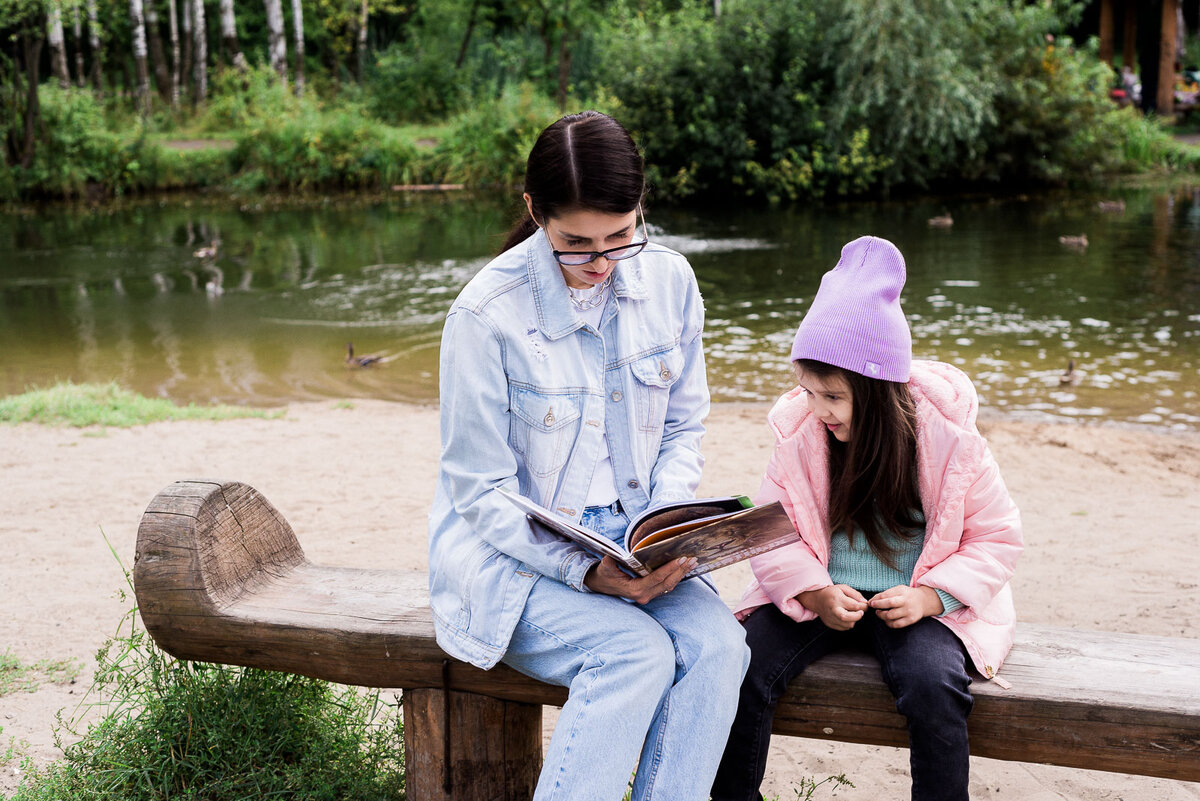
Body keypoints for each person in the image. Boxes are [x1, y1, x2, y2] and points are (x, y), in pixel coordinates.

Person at [427, 110, 749, 801]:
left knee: (721, 649)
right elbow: (479, 492)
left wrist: (668, 525)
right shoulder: (484, 316)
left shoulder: (671, 282)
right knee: (632, 653)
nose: (600, 263)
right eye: (575, 243)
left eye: (620, 237)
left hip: (636, 541)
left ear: (641, 209)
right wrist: (584, 570)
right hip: (514, 555)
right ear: (533, 212)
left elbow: (684, 426)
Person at [710, 236, 1023, 801]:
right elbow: (773, 532)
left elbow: (996, 539)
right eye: (807, 391)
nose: (816, 409)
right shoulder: (801, 437)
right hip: (825, 597)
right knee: (741, 665)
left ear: (878, 391)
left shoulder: (951, 444)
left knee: (935, 687)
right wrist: (814, 592)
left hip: (919, 606)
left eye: (832, 396)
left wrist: (931, 597)